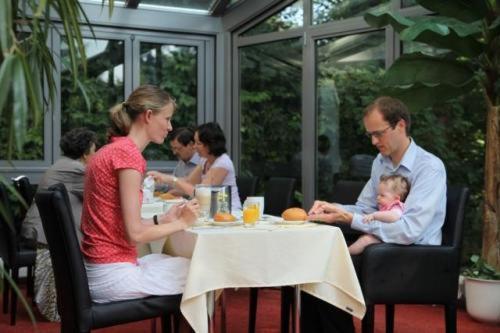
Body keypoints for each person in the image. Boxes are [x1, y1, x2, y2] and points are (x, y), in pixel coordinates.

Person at [305, 96, 447, 332]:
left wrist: (351, 219)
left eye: (378, 133)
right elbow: (364, 210)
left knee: (333, 267)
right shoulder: (380, 162)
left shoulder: (429, 168)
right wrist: (335, 208)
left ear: (400, 125)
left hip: (416, 256)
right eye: (370, 134)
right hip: (384, 247)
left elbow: (409, 231)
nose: (373, 141)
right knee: (315, 261)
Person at [80, 84, 199, 303]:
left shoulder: (111, 149)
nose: (170, 127)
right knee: (204, 273)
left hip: (98, 268)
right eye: (167, 118)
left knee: (188, 266)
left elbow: (118, 224)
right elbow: (135, 234)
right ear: (149, 115)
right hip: (112, 273)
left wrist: (161, 219)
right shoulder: (127, 154)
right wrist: (182, 223)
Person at [21, 127, 97, 321]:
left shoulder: (63, 164)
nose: (95, 155)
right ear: (85, 151)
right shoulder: (75, 169)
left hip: (41, 228)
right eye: (94, 150)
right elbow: (103, 191)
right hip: (47, 233)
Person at [148, 122, 242, 213]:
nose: (195, 147)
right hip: (212, 212)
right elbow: (189, 182)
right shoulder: (205, 160)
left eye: (198, 143)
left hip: (231, 213)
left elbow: (201, 193)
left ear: (210, 144)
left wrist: (171, 179)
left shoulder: (222, 163)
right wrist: (163, 177)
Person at [348, 174, 410, 255]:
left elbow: (394, 217)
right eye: (378, 194)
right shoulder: (386, 206)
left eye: (382, 195)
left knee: (365, 240)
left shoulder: (396, 206)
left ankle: (345, 254)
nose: (378, 198)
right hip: (381, 234)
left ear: (396, 198)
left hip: (390, 236)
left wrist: (374, 215)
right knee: (362, 239)